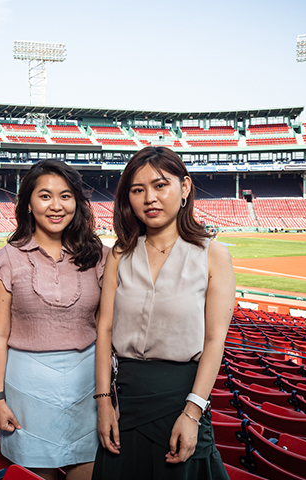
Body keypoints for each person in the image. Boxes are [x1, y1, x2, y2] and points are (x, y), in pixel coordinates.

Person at [93, 146, 235, 479]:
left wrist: (192, 412)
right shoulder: (119, 255)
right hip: (124, 402)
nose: (149, 198)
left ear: (184, 188)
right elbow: (104, 330)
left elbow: (215, 339)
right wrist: (102, 403)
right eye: (137, 190)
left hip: (181, 402)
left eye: (160, 186)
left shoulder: (214, 255)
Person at [0, 159, 108, 480]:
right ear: (28, 202)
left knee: (90, 469)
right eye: (45, 196)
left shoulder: (99, 255)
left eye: (65, 196)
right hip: (28, 385)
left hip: (89, 385)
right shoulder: (7, 260)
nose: (56, 206)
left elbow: (109, 326)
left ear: (77, 203)